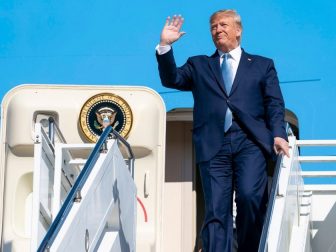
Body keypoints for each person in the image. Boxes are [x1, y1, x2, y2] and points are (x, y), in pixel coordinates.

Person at [155, 9, 290, 252]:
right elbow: (171, 79)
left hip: (250, 142)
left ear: (238, 31)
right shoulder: (199, 65)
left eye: (223, 25)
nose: (218, 30)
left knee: (250, 198)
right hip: (213, 144)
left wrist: (278, 133)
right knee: (217, 209)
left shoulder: (262, 65)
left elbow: (274, 103)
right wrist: (165, 46)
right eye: (213, 27)